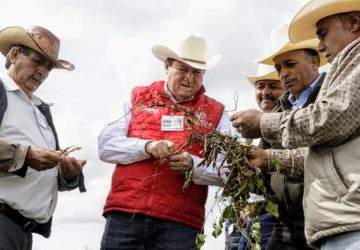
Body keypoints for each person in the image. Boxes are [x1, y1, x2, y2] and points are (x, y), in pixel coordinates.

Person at [230, 0, 360, 249]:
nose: (321, 47)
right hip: (325, 219)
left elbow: (329, 120)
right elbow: (319, 156)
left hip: (347, 216)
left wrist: (264, 123)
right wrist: (266, 158)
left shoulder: (344, 75)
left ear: (354, 23)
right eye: (278, 68)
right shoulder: (288, 105)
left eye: (323, 35)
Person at [98, 34, 231, 250]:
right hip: (127, 213)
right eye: (183, 69)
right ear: (166, 66)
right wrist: (147, 147)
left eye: (197, 72)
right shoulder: (137, 97)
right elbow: (106, 145)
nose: (189, 77)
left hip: (180, 224)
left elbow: (228, 169)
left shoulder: (217, 113)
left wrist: (193, 165)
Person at [0, 26, 86, 250]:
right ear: (15, 54)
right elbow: (26, 159)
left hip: (22, 233)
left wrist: (67, 174)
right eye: (38, 61)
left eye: (48, 67)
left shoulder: (40, 109)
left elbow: (41, 171)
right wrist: (26, 155)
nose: (43, 72)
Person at [235, 63, 285, 250]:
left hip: (274, 215)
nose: (265, 92)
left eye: (273, 86)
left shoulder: (289, 122)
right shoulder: (247, 128)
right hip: (248, 217)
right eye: (260, 86)